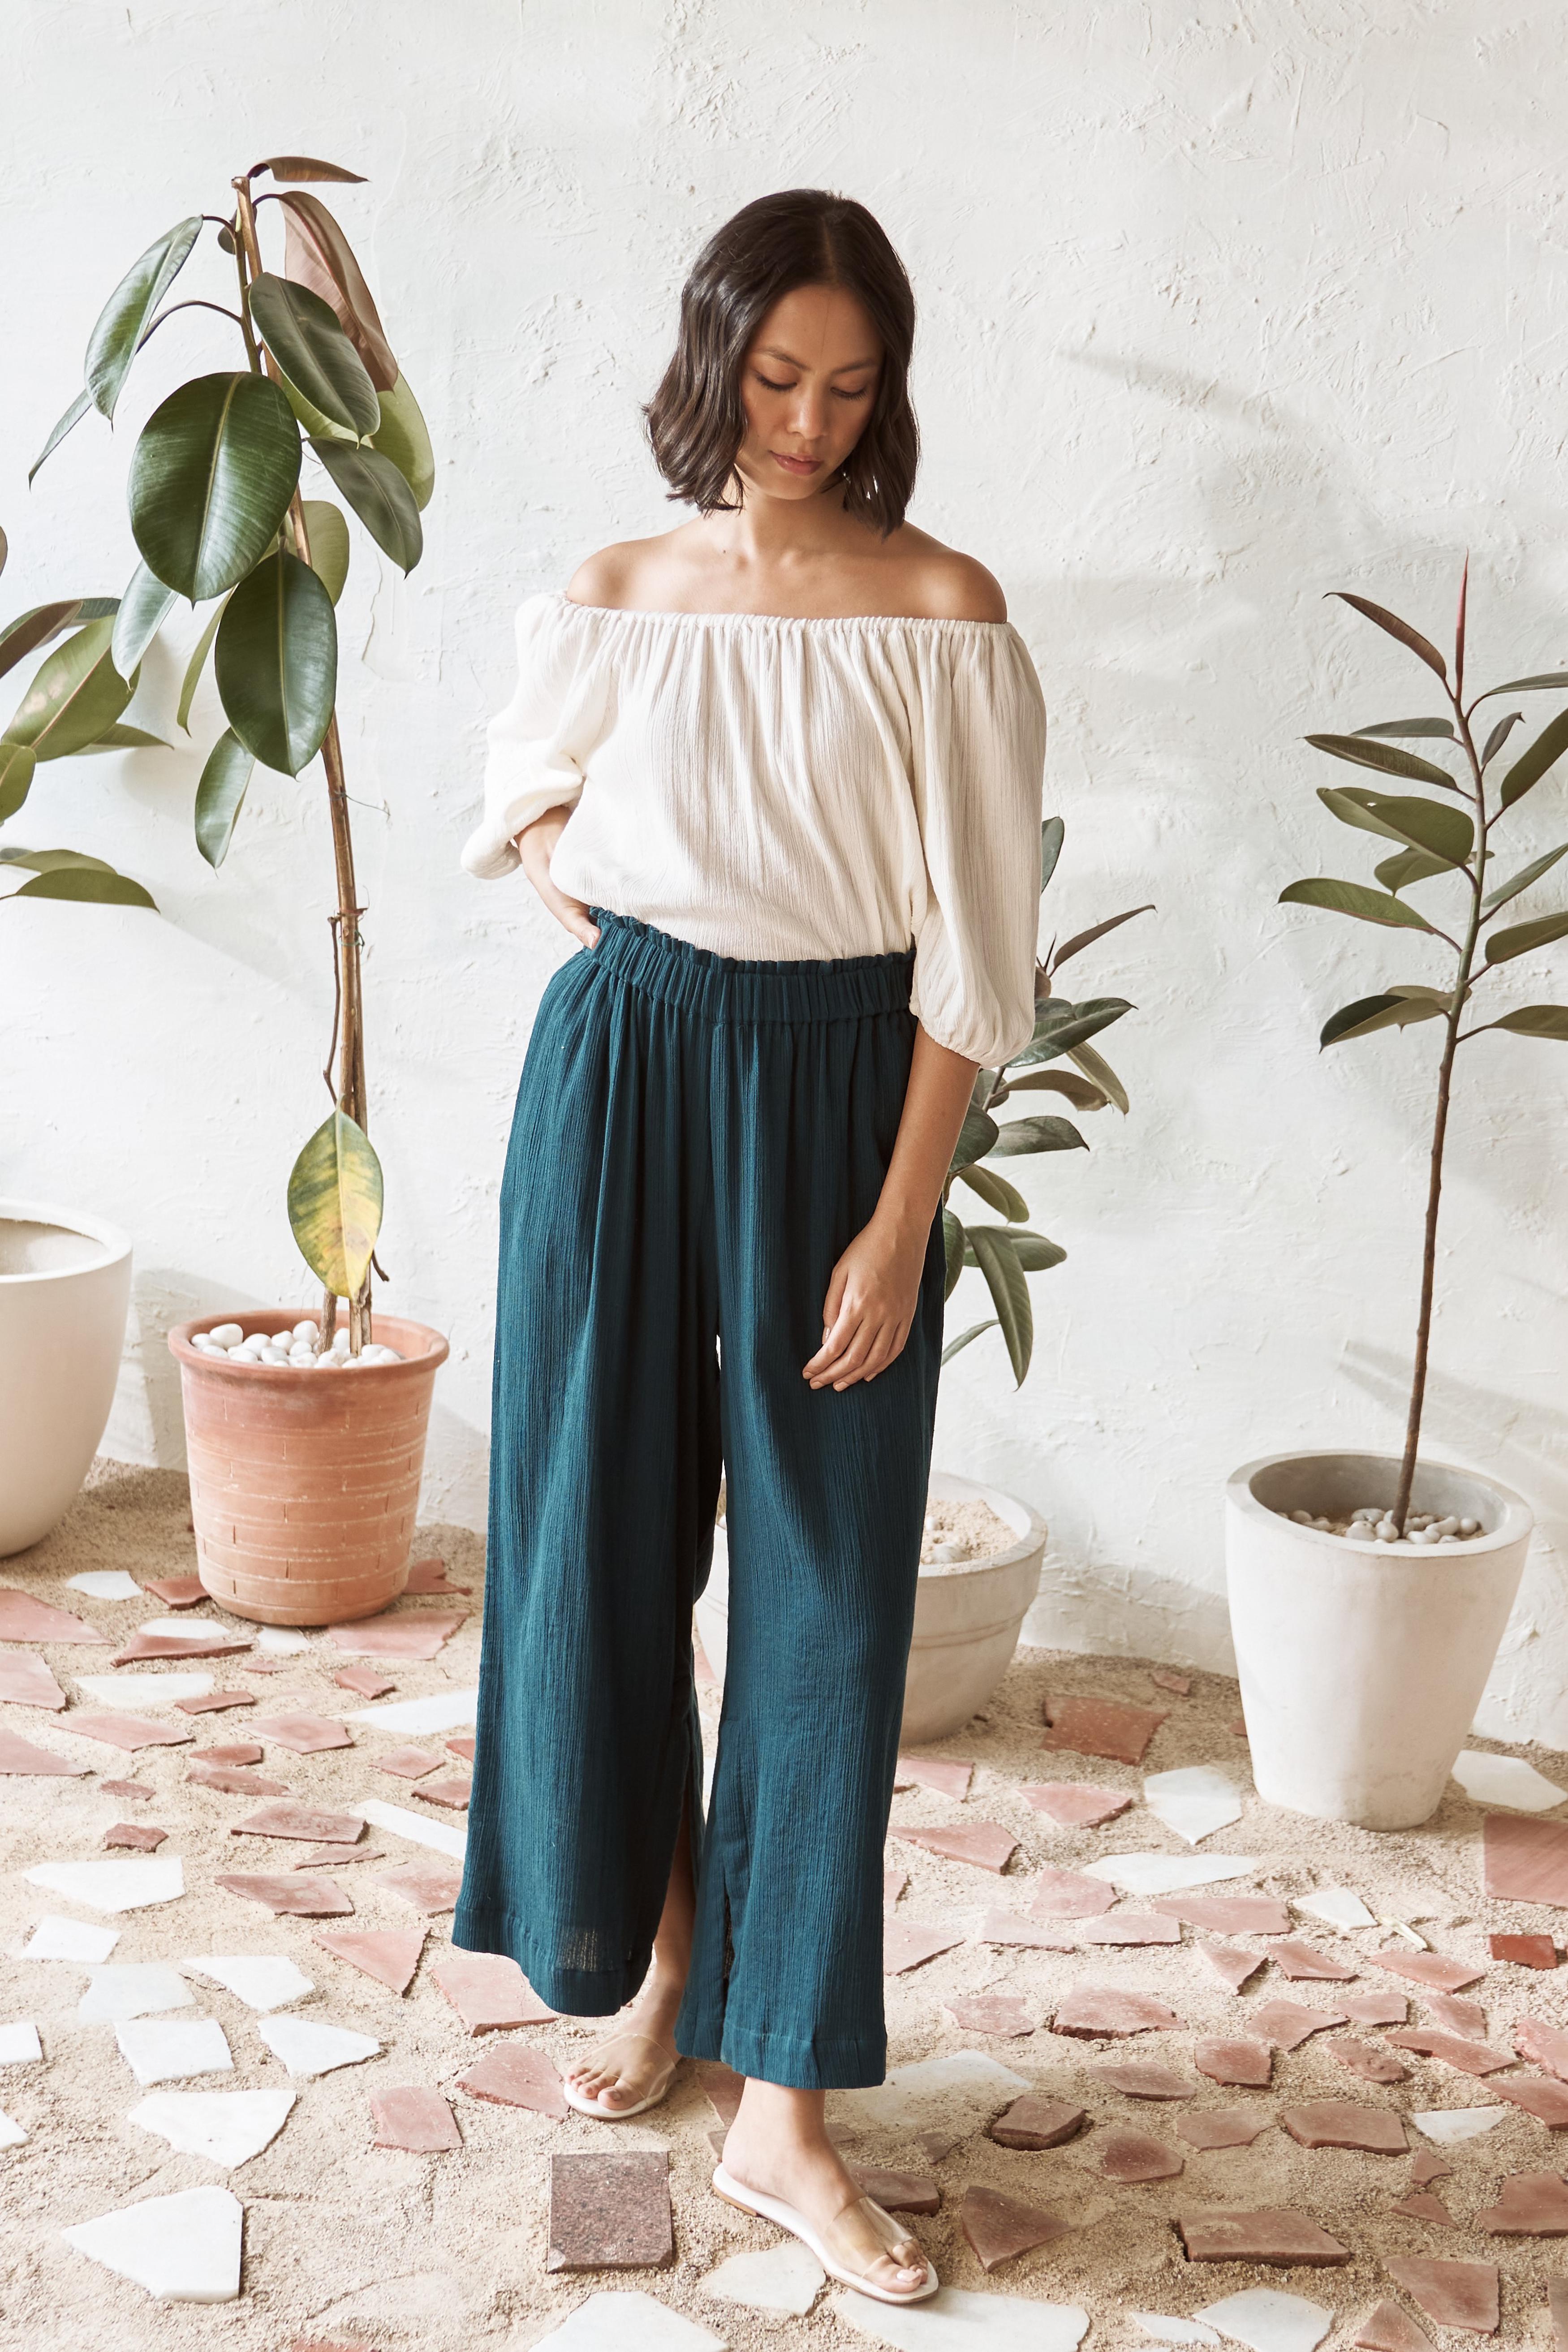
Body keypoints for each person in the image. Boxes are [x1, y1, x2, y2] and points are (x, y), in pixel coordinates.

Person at [455, 187, 1046, 2306]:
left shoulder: (941, 610)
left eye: (850, 387)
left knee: (824, 1601)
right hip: (620, 1074)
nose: (806, 422)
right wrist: (601, 900)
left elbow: (979, 949)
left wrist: (898, 1215)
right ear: (711, 362)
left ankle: (782, 2105)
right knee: (597, 1544)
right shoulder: (615, 593)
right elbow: (522, 797)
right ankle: (665, 1968)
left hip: (839, 1089)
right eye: (776, 377)